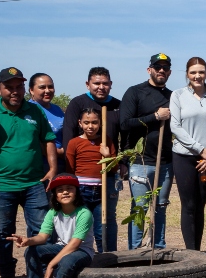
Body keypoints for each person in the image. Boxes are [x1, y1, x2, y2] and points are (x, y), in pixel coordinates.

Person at [0, 67, 58, 278]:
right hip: (3, 185)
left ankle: (42, 276)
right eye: (9, 87)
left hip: (34, 184)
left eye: (18, 87)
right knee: (4, 232)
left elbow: (48, 140)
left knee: (41, 231)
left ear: (24, 88)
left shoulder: (34, 111)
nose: (14, 91)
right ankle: (7, 277)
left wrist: (52, 168)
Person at [11, 174, 95, 278]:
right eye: (60, 190)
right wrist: (28, 241)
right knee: (31, 251)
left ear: (77, 192)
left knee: (67, 261)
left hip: (82, 251)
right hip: (61, 247)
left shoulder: (84, 213)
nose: (65, 192)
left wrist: (51, 264)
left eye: (69, 188)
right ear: (55, 195)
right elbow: (43, 237)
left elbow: (74, 244)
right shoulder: (53, 212)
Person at [62, 67, 122, 251]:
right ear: (88, 84)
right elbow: (69, 146)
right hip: (82, 185)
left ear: (111, 85)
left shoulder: (118, 106)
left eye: (105, 83)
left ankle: (108, 257)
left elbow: (123, 140)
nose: (101, 87)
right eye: (97, 83)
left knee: (105, 221)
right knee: (80, 222)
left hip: (105, 180)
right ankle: (80, 255)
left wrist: (113, 159)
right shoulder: (77, 104)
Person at [120, 53, 174, 249]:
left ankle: (158, 247)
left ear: (169, 72)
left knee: (160, 208)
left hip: (166, 163)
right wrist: (155, 116)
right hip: (140, 163)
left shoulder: (172, 96)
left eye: (165, 68)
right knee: (140, 208)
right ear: (149, 69)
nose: (161, 70)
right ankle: (135, 250)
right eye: (157, 67)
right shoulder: (135, 92)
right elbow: (125, 124)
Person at [170, 57, 206, 251]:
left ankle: (198, 251)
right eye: (193, 72)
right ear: (187, 74)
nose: (197, 76)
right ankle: (191, 252)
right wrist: (201, 150)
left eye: (201, 72)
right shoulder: (178, 95)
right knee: (189, 205)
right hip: (184, 156)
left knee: (200, 204)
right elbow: (175, 126)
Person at [65, 107, 116, 252]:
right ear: (80, 123)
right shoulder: (74, 143)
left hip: (102, 190)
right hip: (82, 191)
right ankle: (81, 256)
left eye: (94, 122)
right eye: (86, 122)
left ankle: (106, 258)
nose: (90, 126)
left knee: (102, 228)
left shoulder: (106, 141)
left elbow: (114, 168)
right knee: (81, 227)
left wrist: (107, 156)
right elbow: (70, 170)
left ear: (100, 123)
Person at [29, 73, 66, 172]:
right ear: (31, 90)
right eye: (42, 87)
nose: (47, 90)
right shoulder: (29, 110)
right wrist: (59, 152)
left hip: (62, 163)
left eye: (50, 87)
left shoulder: (57, 109)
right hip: (41, 165)